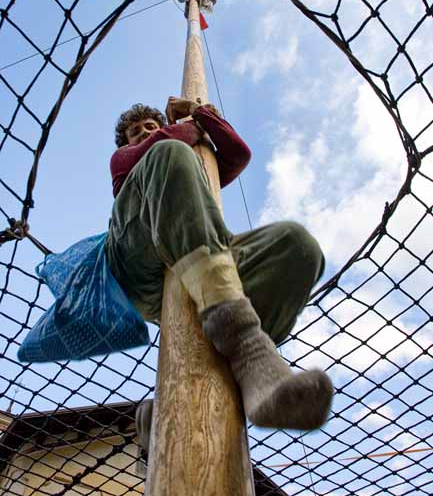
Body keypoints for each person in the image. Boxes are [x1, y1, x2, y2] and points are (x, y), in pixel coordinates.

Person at [106, 96, 333, 440]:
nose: (143, 133)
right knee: (169, 155)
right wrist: (183, 128)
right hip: (140, 252)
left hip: (205, 254)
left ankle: (216, 389)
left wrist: (200, 113)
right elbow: (165, 145)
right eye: (134, 131)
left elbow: (237, 154)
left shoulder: (189, 151)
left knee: (297, 244)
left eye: (150, 126)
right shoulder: (128, 159)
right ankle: (248, 345)